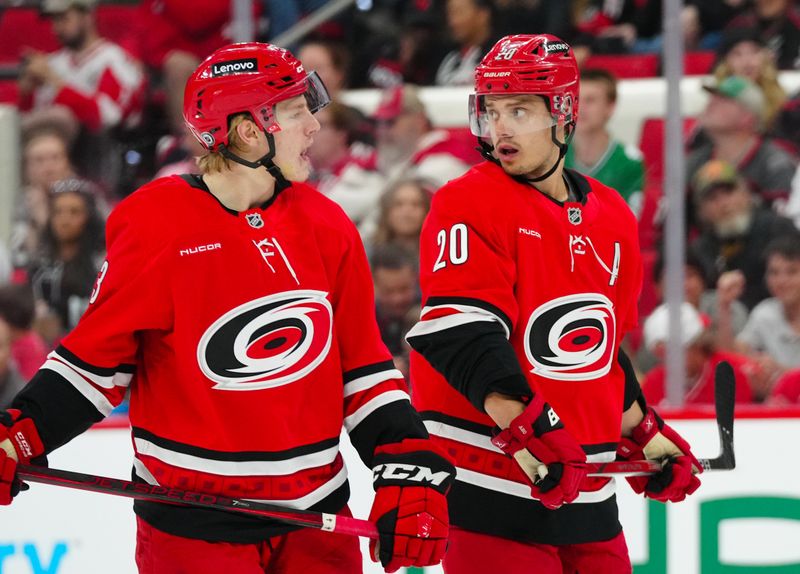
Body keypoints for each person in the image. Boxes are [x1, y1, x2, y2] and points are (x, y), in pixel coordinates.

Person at [0, 42, 454, 574]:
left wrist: (406, 463)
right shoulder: (156, 225)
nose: (313, 125)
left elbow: (364, 370)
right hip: (193, 532)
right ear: (246, 129)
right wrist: (20, 431)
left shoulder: (328, 226)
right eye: (295, 110)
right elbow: (94, 366)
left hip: (316, 525)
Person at [406, 34, 702, 574]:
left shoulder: (611, 212)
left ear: (562, 111)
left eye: (518, 110)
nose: (501, 128)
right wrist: (528, 433)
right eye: (492, 111)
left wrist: (643, 431)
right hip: (489, 486)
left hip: (586, 495)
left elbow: (600, 355)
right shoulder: (467, 200)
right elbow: (460, 336)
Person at [689, 159, 797, 310]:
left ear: (745, 193)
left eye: (729, 192)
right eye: (712, 198)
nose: (723, 203)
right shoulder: (701, 249)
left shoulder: (778, 228)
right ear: (702, 210)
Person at [564, 68, 645, 217]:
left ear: (610, 107)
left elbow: (627, 220)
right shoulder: (552, 153)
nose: (581, 108)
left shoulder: (629, 162)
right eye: (576, 99)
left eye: (590, 100)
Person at [640, 302, 754, 406]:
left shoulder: (728, 375)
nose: (666, 359)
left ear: (696, 344)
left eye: (671, 352)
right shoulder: (653, 383)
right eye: (660, 353)